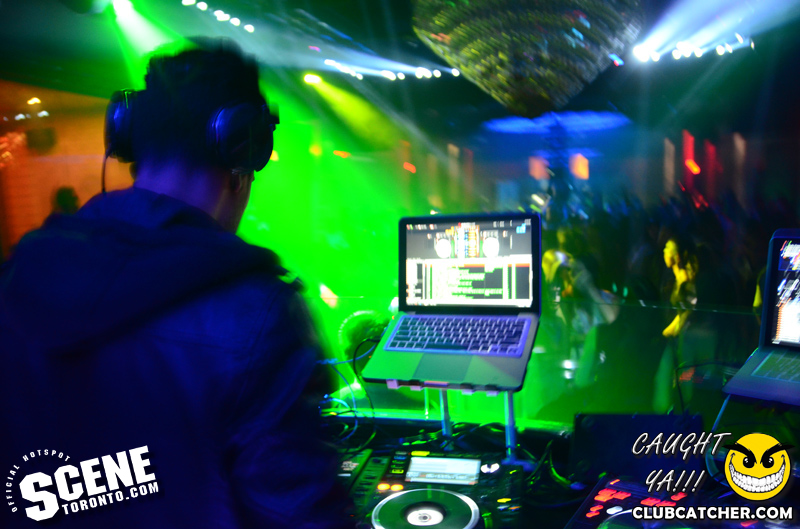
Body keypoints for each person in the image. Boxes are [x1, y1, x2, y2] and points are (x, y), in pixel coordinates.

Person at [0, 40, 352, 529]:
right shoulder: (258, 315)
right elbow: (302, 517)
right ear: (243, 149)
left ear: (128, 141)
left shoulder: (18, 277)